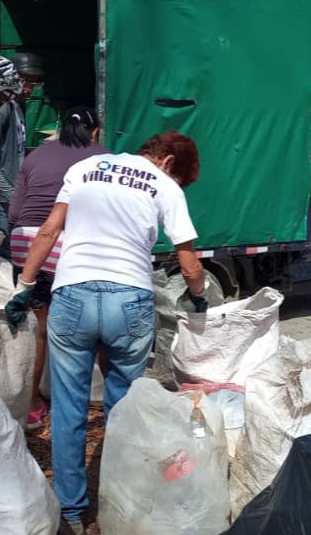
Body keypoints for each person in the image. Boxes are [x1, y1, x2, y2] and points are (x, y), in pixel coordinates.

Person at [16, 130, 208, 534]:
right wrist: (198, 298)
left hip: (73, 297)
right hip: (129, 302)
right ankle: (119, 504)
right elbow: (189, 264)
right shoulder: (164, 186)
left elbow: (49, 231)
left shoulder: (84, 168)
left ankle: (72, 509)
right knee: (123, 409)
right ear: (169, 163)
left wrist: (26, 285)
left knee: (69, 408)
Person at [8, 106, 109, 429]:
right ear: (95, 132)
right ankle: (112, 401)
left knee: (37, 330)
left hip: (25, 244)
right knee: (94, 327)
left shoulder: (35, 156)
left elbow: (14, 213)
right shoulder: (104, 158)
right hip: (68, 245)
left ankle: (33, 406)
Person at [0, 52, 46, 259]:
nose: (27, 88)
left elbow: (12, 151)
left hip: (9, 199)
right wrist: (11, 196)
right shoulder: (2, 109)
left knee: (12, 258)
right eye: (23, 80)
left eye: (34, 84)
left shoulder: (19, 106)